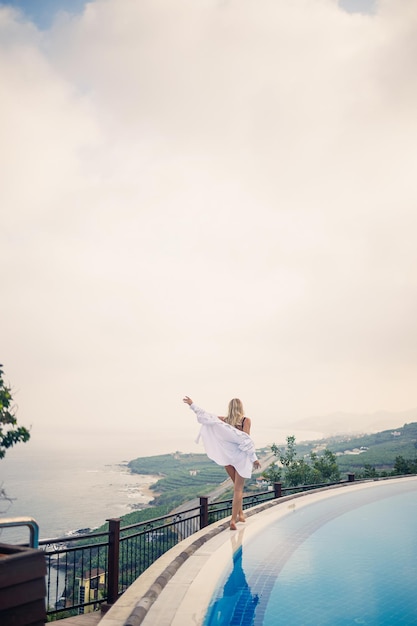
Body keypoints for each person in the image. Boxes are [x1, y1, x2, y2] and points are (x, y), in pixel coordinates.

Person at [183, 396, 261, 530]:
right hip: (240, 460)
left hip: (228, 459)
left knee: (236, 489)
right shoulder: (245, 421)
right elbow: (246, 441)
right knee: (238, 490)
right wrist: (254, 459)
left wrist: (192, 405)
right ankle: (232, 520)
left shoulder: (224, 420)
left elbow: (206, 416)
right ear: (241, 407)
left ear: (230, 407)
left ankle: (241, 514)